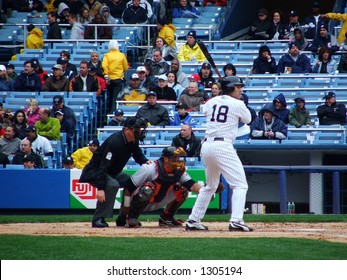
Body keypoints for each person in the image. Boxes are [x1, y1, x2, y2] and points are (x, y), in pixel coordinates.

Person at [186, 76, 253, 231]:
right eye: (238, 87)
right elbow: (248, 119)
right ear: (230, 88)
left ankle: (193, 220)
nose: (240, 90)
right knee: (240, 184)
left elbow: (204, 110)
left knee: (210, 186)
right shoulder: (238, 103)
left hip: (207, 146)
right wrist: (237, 102)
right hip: (222, 146)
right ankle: (236, 220)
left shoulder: (211, 101)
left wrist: (222, 98)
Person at [79, 117, 149, 228]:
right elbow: (103, 165)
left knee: (131, 183)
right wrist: (101, 188)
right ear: (127, 130)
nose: (139, 131)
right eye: (136, 129)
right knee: (112, 184)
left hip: (111, 172)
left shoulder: (133, 141)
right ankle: (98, 219)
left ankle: (124, 216)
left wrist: (146, 162)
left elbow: (138, 154)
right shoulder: (115, 142)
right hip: (95, 172)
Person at [117, 146, 204, 227]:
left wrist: (205, 192)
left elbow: (191, 184)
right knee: (147, 189)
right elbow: (128, 187)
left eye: (178, 157)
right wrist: (126, 209)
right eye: (174, 158)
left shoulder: (178, 170)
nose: (178, 160)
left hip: (158, 200)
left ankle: (166, 218)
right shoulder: (150, 168)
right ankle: (132, 217)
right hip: (137, 200)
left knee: (183, 189)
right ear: (166, 159)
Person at [102, 40, 128, 113]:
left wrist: (106, 76)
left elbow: (104, 66)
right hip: (118, 79)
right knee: (115, 97)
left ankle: (109, 112)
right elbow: (126, 68)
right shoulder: (121, 55)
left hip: (109, 80)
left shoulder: (107, 55)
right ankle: (113, 112)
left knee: (110, 97)